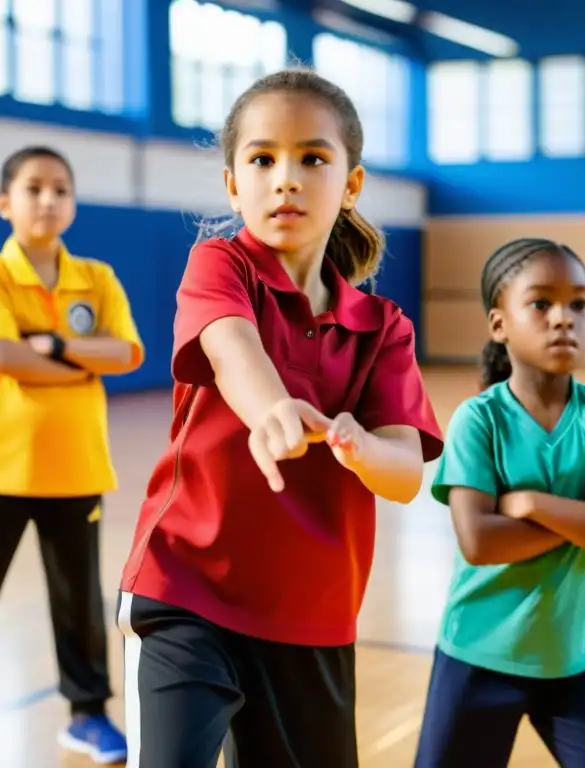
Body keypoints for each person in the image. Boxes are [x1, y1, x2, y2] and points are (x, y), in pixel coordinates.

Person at [116, 68, 444, 767]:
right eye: (262, 159)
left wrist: (357, 446)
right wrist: (271, 411)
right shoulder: (219, 265)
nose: (285, 178)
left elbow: (405, 474)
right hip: (187, 588)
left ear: (351, 184)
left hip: (313, 615)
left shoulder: (383, 328)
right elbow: (231, 346)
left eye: (312, 159)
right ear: (233, 183)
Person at [414, 237, 585, 767]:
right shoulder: (479, 420)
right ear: (498, 323)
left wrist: (528, 503)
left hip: (575, 662)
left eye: (579, 303)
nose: (563, 318)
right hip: (478, 657)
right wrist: (583, 514)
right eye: (541, 303)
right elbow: (480, 541)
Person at [0, 145, 142, 764]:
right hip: (0, 466)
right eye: (33, 188)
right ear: (5, 203)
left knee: (80, 601)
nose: (48, 199)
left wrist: (47, 346)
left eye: (60, 189)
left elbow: (128, 353)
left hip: (76, 466)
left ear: (74, 203)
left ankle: (87, 716)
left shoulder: (97, 278)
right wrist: (82, 358)